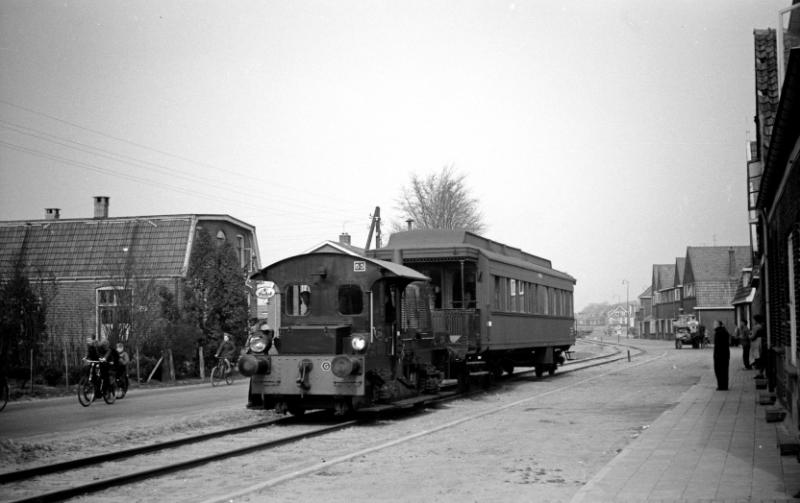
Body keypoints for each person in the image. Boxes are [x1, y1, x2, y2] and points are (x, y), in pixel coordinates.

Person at [712, 320, 731, 390]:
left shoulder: (719, 333)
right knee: (725, 371)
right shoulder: (724, 331)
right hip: (725, 354)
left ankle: (721, 386)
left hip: (720, 355)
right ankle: (724, 385)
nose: (713, 325)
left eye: (715, 324)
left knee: (719, 371)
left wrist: (716, 355)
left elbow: (718, 346)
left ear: (719, 325)